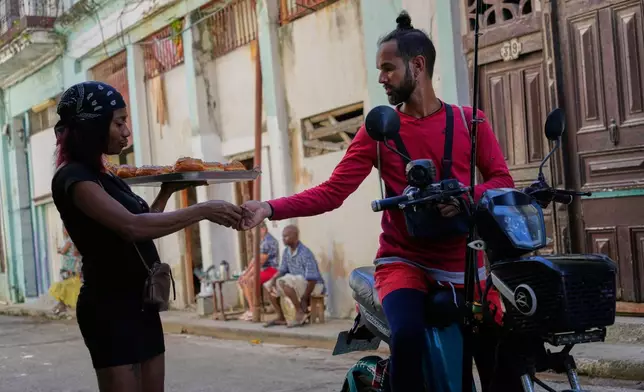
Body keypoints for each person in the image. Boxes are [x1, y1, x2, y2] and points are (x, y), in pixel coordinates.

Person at [240, 11, 522, 392]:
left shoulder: (472, 122)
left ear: (417, 65)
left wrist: (463, 197)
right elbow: (332, 192)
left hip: (467, 264)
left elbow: (502, 180)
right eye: (380, 70)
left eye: (388, 68)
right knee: (407, 336)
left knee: (504, 353)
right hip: (404, 263)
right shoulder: (377, 133)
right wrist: (270, 208)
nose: (381, 78)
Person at [51, 81, 242, 392]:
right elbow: (131, 227)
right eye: (119, 122)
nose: (127, 131)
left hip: (140, 302)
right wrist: (202, 210)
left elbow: (139, 227)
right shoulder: (73, 178)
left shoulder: (105, 174)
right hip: (109, 307)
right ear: (93, 125)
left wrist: (167, 192)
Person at [263, 225, 325, 328]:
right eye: (283, 236)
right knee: (268, 286)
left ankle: (300, 312)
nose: (283, 239)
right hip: (295, 283)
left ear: (295, 236)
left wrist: (305, 299)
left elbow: (312, 279)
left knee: (284, 281)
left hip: (313, 285)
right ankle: (281, 317)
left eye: (286, 236)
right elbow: (282, 270)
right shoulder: (286, 252)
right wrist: (273, 280)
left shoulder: (305, 253)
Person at [237, 221, 279, 321]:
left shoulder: (269, 241)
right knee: (242, 279)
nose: (252, 233)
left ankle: (253, 310)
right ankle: (252, 308)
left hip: (272, 270)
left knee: (249, 281)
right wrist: (246, 273)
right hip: (263, 269)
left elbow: (260, 262)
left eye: (254, 230)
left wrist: (248, 275)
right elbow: (254, 260)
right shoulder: (261, 240)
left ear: (263, 229)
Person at [49, 227, 82, 315]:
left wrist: (59, 250)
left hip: (69, 267)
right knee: (69, 286)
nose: (63, 231)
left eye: (65, 229)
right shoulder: (75, 238)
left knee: (64, 285)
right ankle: (63, 306)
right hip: (74, 267)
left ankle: (62, 305)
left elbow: (64, 251)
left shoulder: (70, 239)